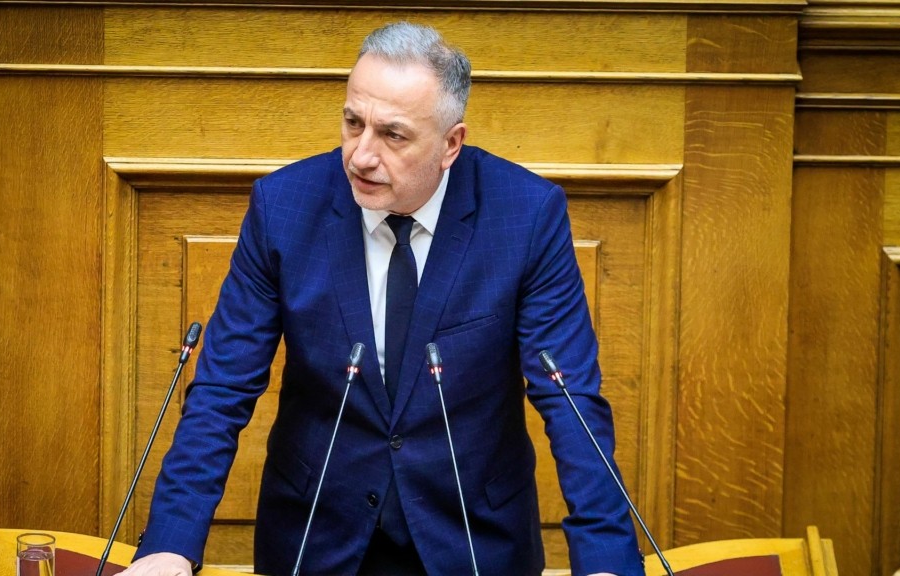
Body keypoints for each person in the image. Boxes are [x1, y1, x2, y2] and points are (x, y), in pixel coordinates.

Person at [121, 21, 643, 576]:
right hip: (316, 536)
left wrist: (606, 560)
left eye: (393, 135)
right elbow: (223, 387)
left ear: (450, 144)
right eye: (353, 123)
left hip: (473, 541)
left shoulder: (525, 215)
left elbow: (569, 396)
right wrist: (169, 544)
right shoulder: (283, 207)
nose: (361, 156)